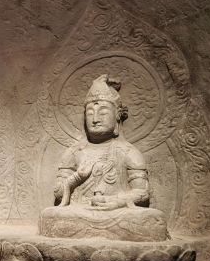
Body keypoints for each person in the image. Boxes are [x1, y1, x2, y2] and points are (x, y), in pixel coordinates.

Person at [40, 74, 166, 241]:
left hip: (117, 213)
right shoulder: (75, 152)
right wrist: (77, 177)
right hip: (80, 212)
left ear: (117, 115)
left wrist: (116, 202)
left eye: (103, 112)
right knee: (50, 216)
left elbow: (142, 192)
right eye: (90, 113)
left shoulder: (128, 151)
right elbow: (58, 192)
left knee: (152, 220)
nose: (95, 119)